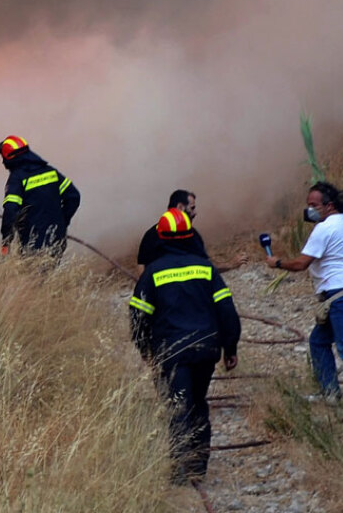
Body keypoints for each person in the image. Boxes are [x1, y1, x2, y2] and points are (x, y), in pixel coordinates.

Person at [130, 208, 241, 485]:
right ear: (190, 236)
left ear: (161, 239)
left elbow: (138, 317)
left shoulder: (153, 273)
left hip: (171, 352)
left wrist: (146, 351)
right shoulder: (206, 269)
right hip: (206, 350)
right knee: (198, 404)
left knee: (178, 406)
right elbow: (227, 310)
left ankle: (180, 472)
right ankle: (198, 467)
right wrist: (231, 348)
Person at [266, 181, 343, 413]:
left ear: (328, 206)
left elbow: (301, 263)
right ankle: (329, 392)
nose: (309, 209)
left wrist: (277, 262)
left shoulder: (326, 227)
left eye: (313, 205)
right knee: (318, 341)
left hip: (339, 294)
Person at [0, 135, 79, 256]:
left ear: (9, 157)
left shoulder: (17, 178)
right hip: (56, 238)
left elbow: (10, 209)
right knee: (51, 273)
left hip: (33, 241)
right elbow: (74, 197)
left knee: (31, 274)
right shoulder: (50, 172)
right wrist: (62, 222)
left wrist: (6, 240)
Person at [137, 190, 248, 271]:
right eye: (192, 208)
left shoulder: (151, 234)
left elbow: (141, 267)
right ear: (180, 207)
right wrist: (230, 264)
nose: (195, 213)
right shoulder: (191, 235)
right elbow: (206, 265)